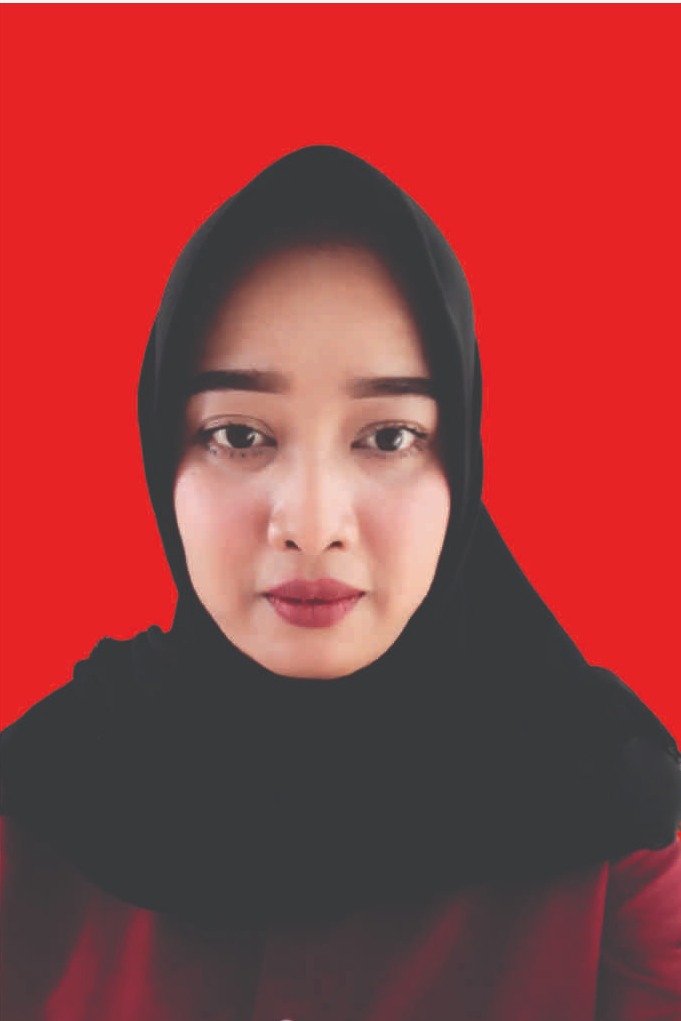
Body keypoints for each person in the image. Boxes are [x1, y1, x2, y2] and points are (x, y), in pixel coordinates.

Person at [1, 145, 680, 1020]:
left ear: (460, 463)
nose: (313, 523)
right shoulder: (38, 813)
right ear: (162, 457)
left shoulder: (613, 821)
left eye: (388, 437)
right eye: (238, 435)